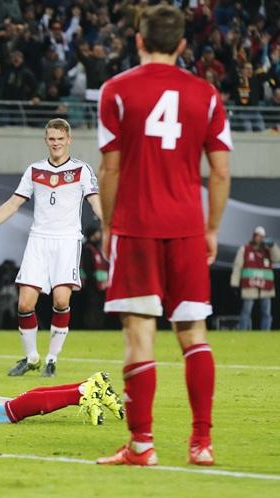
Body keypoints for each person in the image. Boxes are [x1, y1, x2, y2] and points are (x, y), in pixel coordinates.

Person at [96, 5, 232, 467]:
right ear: (181, 45)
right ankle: (202, 443)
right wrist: (211, 227)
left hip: (136, 227)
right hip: (187, 229)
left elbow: (109, 166)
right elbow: (220, 172)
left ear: (138, 40)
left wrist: (108, 226)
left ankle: (142, 445)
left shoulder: (116, 91)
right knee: (194, 332)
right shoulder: (207, 94)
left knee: (139, 337)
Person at [0, 118, 102, 378]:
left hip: (67, 240)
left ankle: (52, 358)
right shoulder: (35, 170)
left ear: (69, 140)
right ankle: (32, 357)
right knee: (25, 304)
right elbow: (12, 204)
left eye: (60, 139)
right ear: (46, 141)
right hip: (38, 240)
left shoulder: (82, 170)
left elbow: (95, 202)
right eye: (52, 139)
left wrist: (111, 225)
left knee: (61, 299)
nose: (56, 143)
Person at [230, 226, 280, 330]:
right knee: (246, 311)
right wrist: (234, 283)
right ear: (254, 236)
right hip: (250, 285)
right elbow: (237, 266)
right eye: (257, 236)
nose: (259, 238)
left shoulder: (268, 250)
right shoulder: (245, 249)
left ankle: (265, 333)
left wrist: (273, 246)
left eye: (262, 236)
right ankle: (243, 332)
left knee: (266, 312)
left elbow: (278, 259)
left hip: (265, 286)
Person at [81, 225, 109, 330]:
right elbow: (88, 268)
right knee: (92, 306)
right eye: (98, 232)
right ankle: (91, 326)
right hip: (91, 284)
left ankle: (98, 326)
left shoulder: (97, 248)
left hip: (100, 285)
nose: (100, 235)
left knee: (98, 307)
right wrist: (93, 280)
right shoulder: (88, 248)